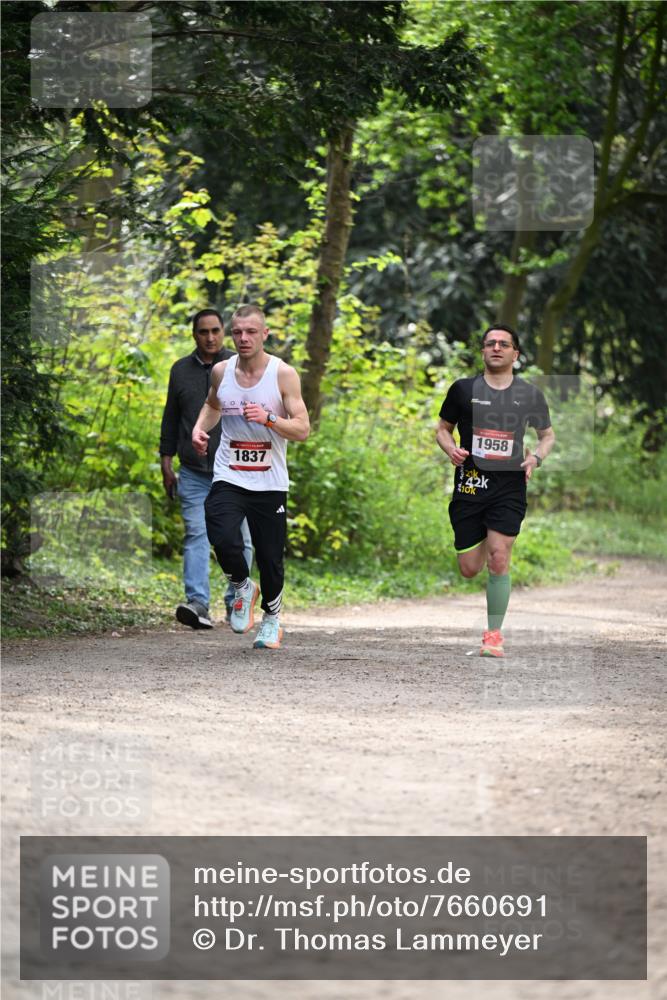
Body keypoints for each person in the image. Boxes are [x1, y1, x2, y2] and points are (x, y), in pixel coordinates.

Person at [192, 304, 310, 650]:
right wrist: (200, 429)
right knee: (221, 531)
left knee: (271, 557)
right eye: (238, 332)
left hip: (269, 480)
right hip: (230, 472)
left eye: (251, 332)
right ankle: (243, 586)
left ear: (265, 334)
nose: (244, 339)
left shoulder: (283, 374)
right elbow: (213, 406)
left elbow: (302, 429)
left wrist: (269, 419)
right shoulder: (221, 372)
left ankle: (272, 620)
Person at [436, 324, 555, 657]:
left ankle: (493, 634)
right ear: (483, 351)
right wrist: (450, 450)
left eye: (504, 344)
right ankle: (486, 541)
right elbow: (443, 429)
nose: (497, 348)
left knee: (499, 558)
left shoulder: (529, 394)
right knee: (469, 568)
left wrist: (535, 458)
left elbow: (547, 435)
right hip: (470, 485)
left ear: (515, 354)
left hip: (509, 486)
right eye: (491, 343)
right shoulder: (462, 390)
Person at [160, 308, 253, 630]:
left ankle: (236, 602)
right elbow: (171, 417)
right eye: (204, 332)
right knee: (197, 534)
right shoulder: (180, 370)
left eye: (216, 331)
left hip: (237, 471)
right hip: (194, 470)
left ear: (223, 332)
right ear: (194, 334)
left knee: (241, 541)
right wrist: (166, 461)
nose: (210, 337)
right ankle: (198, 603)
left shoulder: (241, 366)